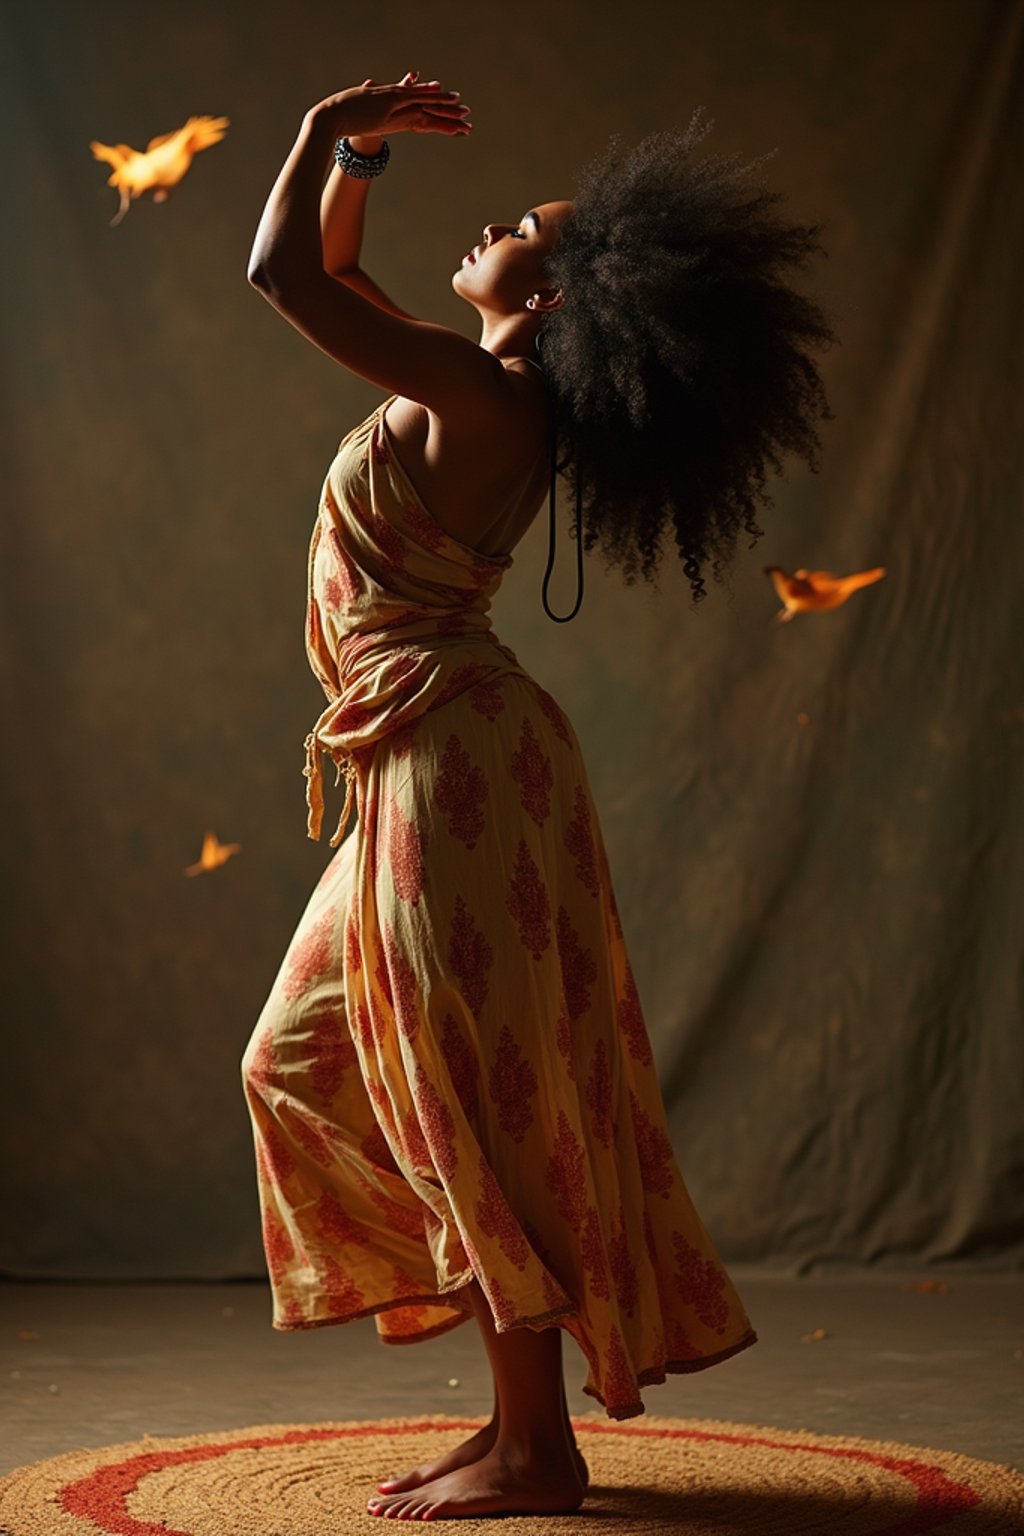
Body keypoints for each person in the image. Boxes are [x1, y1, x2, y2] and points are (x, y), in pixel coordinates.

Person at [241, 72, 835, 1522]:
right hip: (445, 755)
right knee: (302, 1058)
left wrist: (321, 132)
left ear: (559, 303)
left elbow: (278, 276)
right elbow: (334, 270)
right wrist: (361, 161)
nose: (498, 223)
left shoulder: (482, 388)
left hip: (457, 770)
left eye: (528, 230)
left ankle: (536, 1447)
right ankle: (516, 1425)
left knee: (471, 1093)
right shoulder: (471, 381)